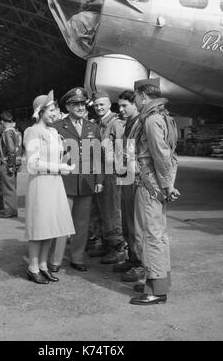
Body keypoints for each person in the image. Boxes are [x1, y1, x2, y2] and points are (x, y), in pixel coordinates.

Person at [129, 78, 180, 306]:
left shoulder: (151, 121)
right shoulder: (164, 117)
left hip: (150, 186)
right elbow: (171, 155)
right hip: (157, 185)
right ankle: (156, 282)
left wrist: (167, 185)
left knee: (150, 237)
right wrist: (169, 184)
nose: (136, 101)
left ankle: (156, 292)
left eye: (136, 96)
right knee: (157, 235)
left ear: (142, 95)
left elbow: (161, 156)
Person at [49, 87, 104, 272]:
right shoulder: (57, 127)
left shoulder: (92, 127)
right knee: (62, 222)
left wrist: (99, 180)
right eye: (76, 104)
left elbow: (98, 157)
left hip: (86, 182)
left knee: (82, 223)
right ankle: (55, 260)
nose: (80, 107)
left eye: (82, 103)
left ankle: (77, 257)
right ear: (67, 106)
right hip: (65, 182)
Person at [24, 91, 75, 284]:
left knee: (51, 228)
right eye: (52, 109)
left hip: (54, 183)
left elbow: (59, 156)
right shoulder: (33, 131)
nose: (55, 113)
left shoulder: (53, 132)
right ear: (41, 111)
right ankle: (33, 267)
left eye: (56, 109)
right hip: (42, 183)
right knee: (39, 228)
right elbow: (32, 164)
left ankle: (43, 266)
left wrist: (65, 159)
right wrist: (60, 168)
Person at [88, 91, 126, 265]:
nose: (99, 107)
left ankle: (117, 248)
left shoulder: (115, 123)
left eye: (102, 104)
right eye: (96, 105)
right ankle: (104, 242)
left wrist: (120, 171)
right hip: (99, 171)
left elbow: (122, 148)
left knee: (111, 209)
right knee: (99, 209)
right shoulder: (98, 123)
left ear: (109, 105)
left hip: (111, 172)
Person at [114, 90, 144, 280]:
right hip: (126, 177)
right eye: (120, 106)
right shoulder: (128, 125)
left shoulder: (141, 124)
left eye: (125, 105)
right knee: (127, 222)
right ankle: (132, 259)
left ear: (135, 104)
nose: (122, 109)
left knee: (137, 225)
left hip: (137, 179)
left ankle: (141, 264)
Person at [0, 112, 19, 219]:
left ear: (2, 121)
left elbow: (11, 150)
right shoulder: (15, 131)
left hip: (7, 163)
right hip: (15, 162)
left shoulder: (7, 132)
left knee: (8, 188)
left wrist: (10, 164)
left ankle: (9, 211)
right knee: (12, 187)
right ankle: (12, 209)